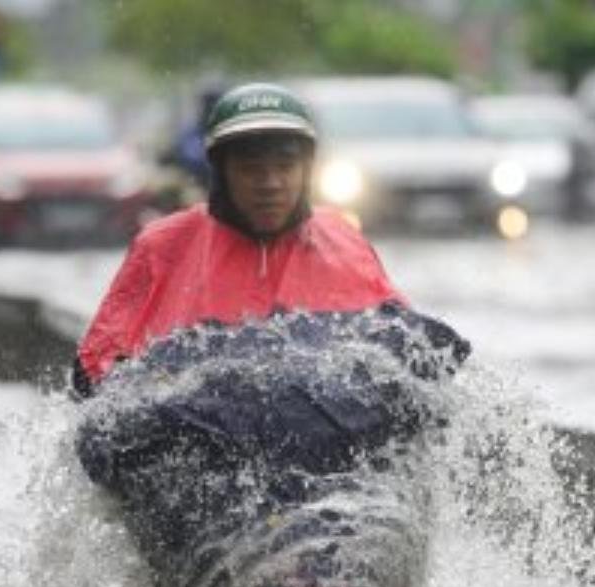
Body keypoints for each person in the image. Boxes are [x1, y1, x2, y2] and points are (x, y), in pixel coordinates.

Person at [73, 82, 407, 397]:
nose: (271, 183)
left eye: (285, 166)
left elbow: (406, 352)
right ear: (222, 173)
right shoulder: (161, 246)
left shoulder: (346, 241)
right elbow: (94, 371)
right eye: (251, 169)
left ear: (305, 170)